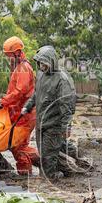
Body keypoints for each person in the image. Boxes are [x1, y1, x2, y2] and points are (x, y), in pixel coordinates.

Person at [22, 45, 76, 179]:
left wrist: (66, 127)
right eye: (40, 63)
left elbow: (67, 105)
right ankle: (71, 168)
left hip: (54, 125)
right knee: (47, 153)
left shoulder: (62, 79)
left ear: (51, 61)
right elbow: (37, 93)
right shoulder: (41, 75)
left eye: (44, 62)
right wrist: (28, 106)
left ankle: (52, 177)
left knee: (47, 159)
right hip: (42, 123)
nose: (41, 65)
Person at [0, 36, 40, 175]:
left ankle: (45, 164)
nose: (9, 59)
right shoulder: (18, 67)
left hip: (26, 114)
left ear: (17, 52)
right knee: (17, 145)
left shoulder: (23, 68)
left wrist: (3, 101)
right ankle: (29, 171)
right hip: (20, 114)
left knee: (19, 146)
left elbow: (19, 92)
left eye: (10, 55)